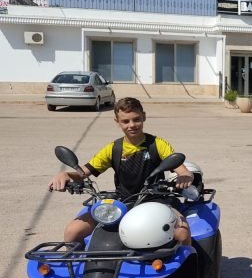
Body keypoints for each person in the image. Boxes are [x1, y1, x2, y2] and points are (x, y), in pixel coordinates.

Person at [48, 97, 194, 245]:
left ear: (144, 116)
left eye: (136, 119)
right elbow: (83, 173)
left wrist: (184, 176)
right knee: (72, 232)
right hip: (122, 202)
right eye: (125, 121)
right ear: (117, 122)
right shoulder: (113, 149)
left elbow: (182, 170)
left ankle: (188, 267)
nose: (132, 125)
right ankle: (80, 267)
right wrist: (66, 174)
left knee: (182, 234)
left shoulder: (157, 144)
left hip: (156, 201)